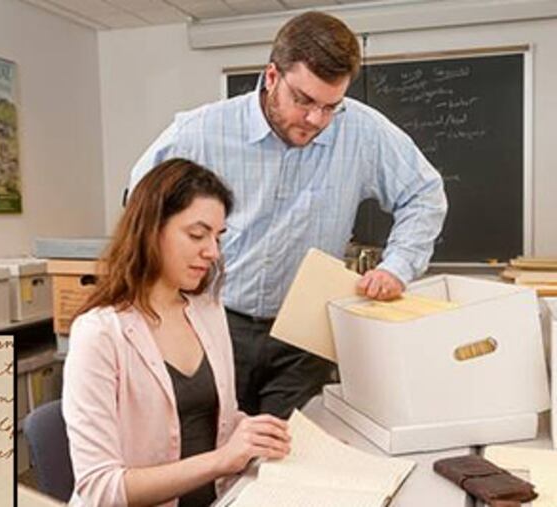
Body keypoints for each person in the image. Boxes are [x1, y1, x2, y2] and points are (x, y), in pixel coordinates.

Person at [128, 11, 448, 419]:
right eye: (304, 100)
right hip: (213, 320)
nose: (317, 120)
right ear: (272, 76)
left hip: (306, 332)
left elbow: (424, 193)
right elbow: (141, 202)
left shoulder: (363, 131)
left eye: (332, 106)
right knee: (211, 451)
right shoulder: (201, 131)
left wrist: (398, 266)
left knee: (286, 456)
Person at [63, 158, 291, 507]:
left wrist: (256, 433)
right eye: (197, 235)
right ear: (151, 228)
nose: (212, 252)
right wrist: (222, 460)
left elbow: (215, 420)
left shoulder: (208, 312)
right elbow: (101, 488)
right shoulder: (99, 333)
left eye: (217, 237)